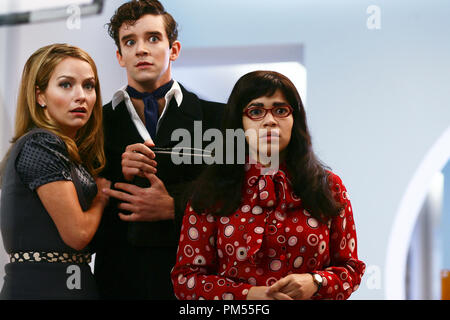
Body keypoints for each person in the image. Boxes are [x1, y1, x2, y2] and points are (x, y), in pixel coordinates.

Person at [171, 70, 366, 300]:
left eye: (281, 110)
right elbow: (186, 280)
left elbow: (351, 270)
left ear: (295, 120)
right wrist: (250, 296)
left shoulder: (328, 187)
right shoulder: (211, 190)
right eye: (256, 111)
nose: (270, 121)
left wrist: (316, 282)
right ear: (239, 122)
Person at [93, 0, 224, 299]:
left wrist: (176, 207)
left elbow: (238, 194)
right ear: (120, 56)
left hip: (197, 287)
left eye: (153, 38)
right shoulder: (94, 125)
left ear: (173, 49)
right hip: (116, 286)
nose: (141, 49)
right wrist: (116, 171)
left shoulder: (220, 118)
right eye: (130, 41)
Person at [0, 43, 110, 299]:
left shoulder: (60, 148)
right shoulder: (41, 144)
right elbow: (78, 234)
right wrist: (101, 197)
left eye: (89, 86)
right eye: (66, 84)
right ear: (40, 96)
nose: (81, 95)